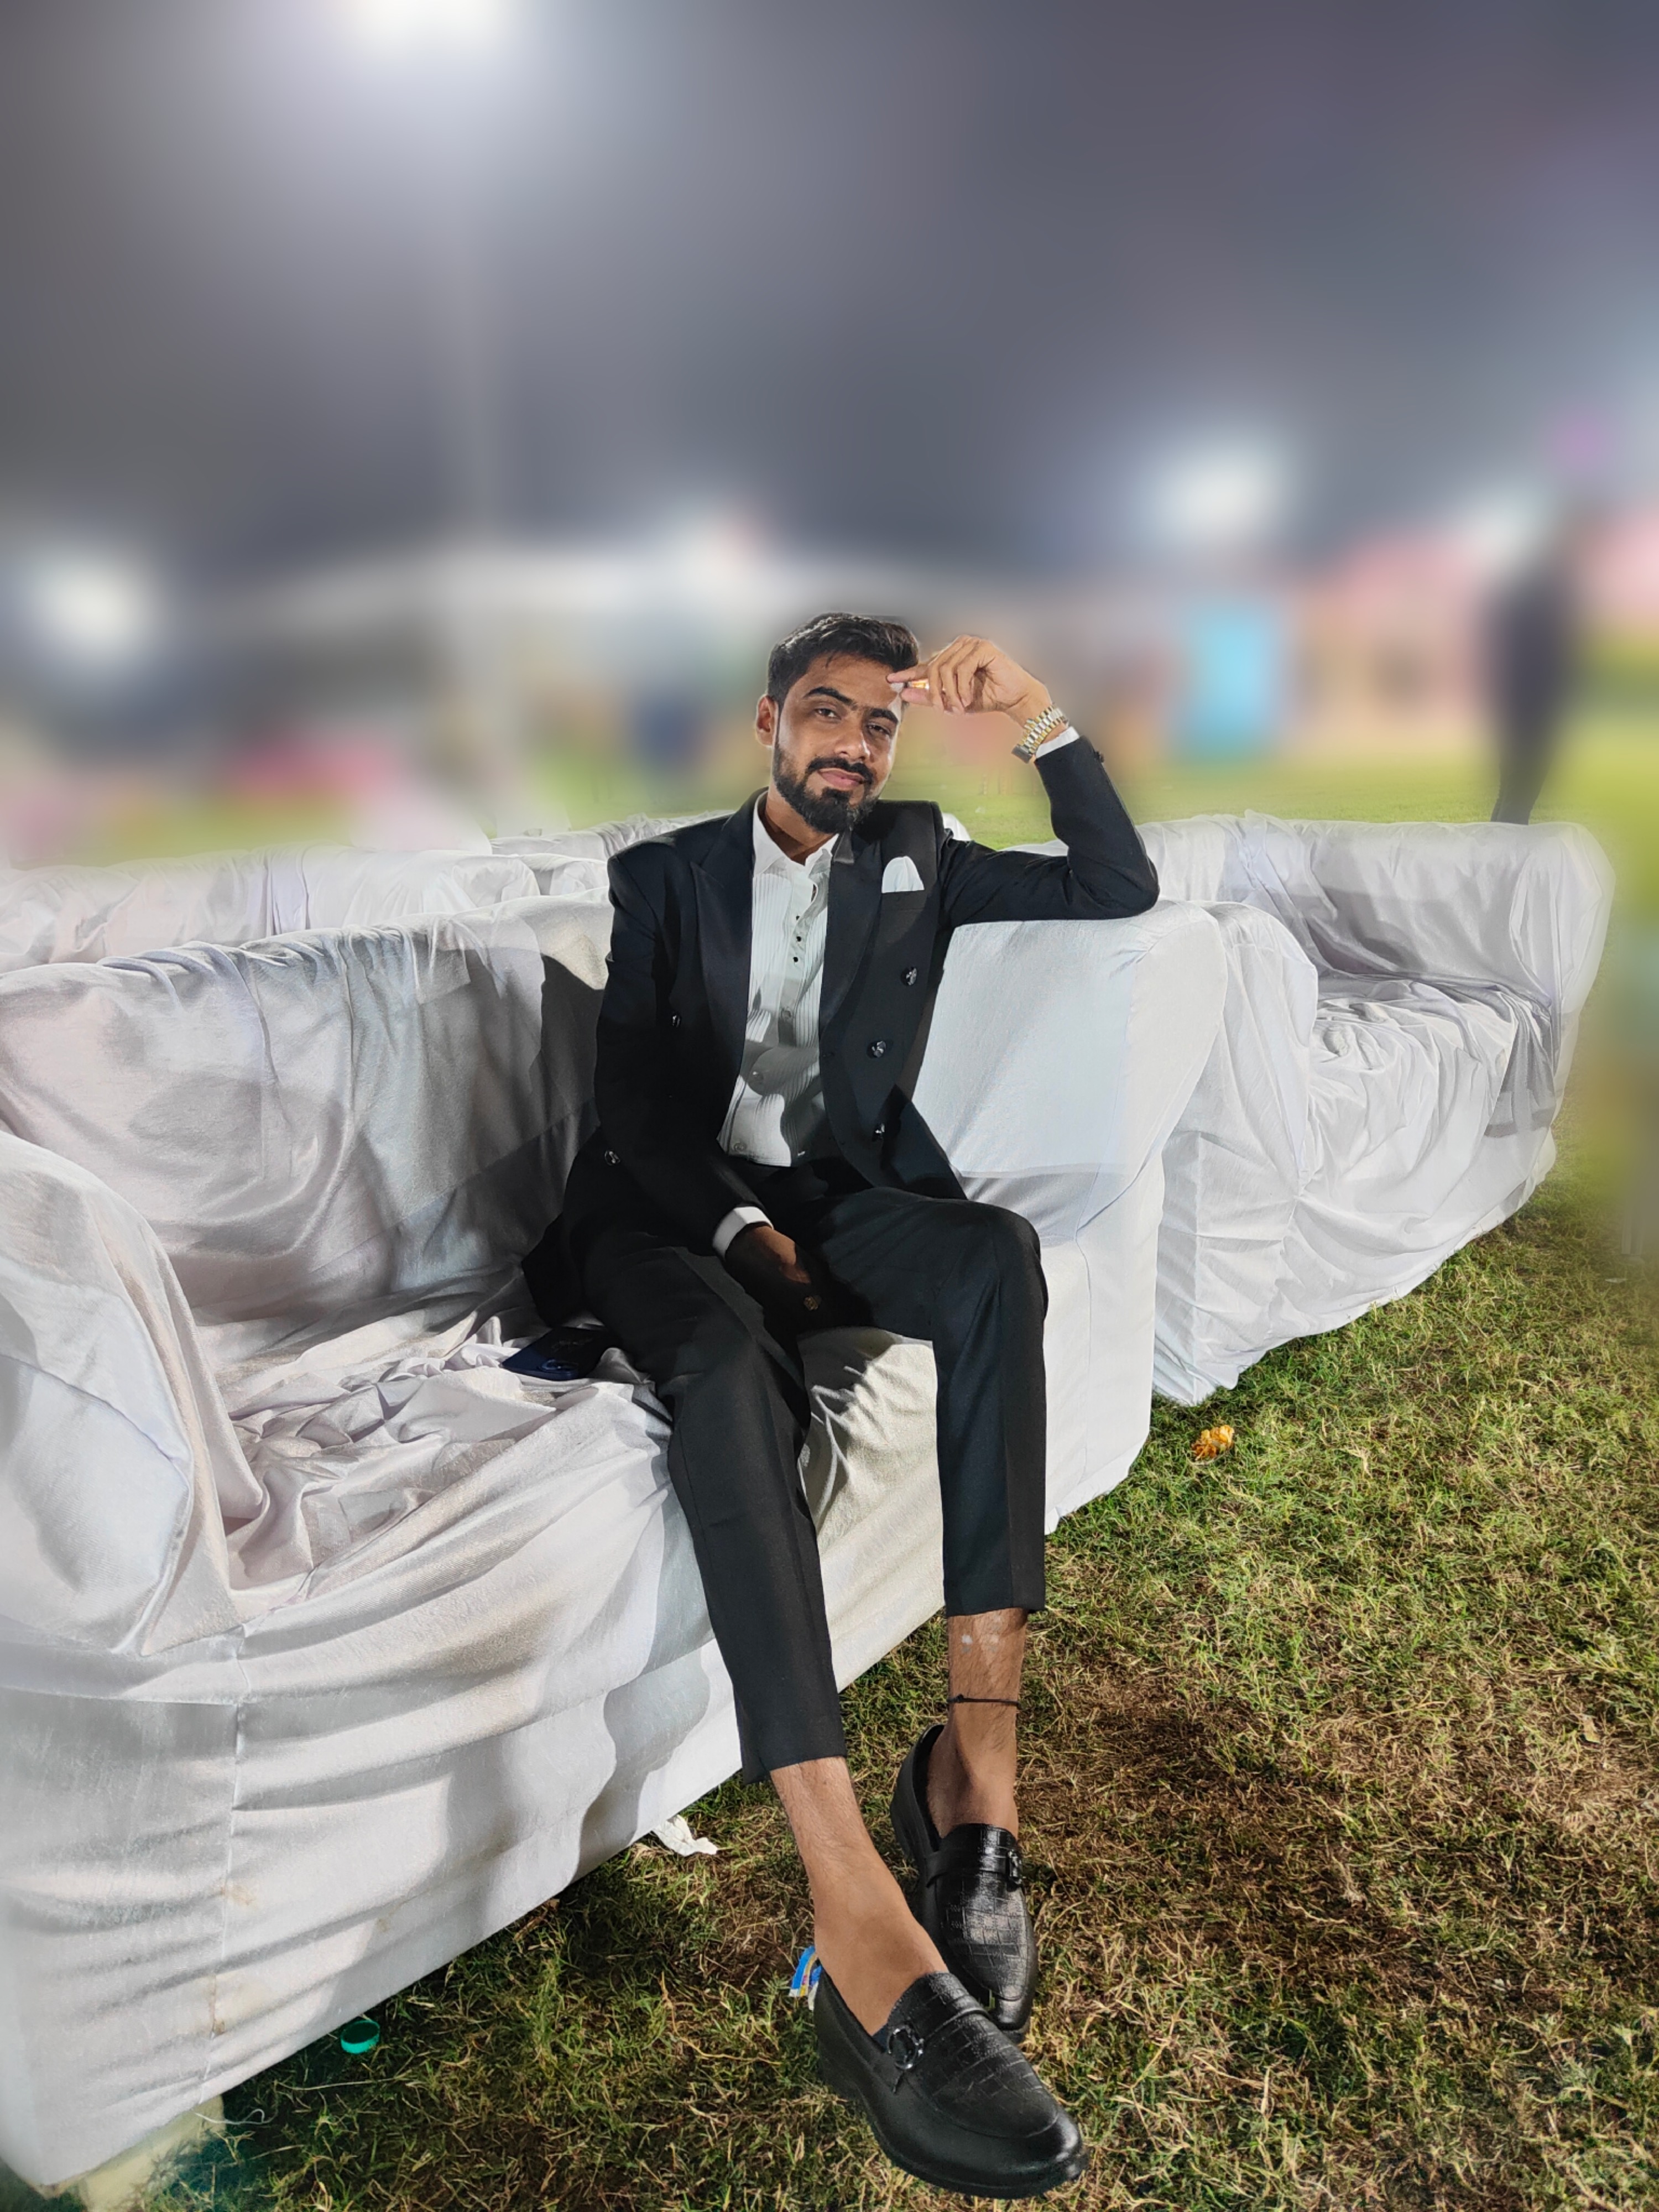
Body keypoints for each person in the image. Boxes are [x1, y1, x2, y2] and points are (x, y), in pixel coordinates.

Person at [526, 613, 1158, 2198]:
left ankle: (975, 1788)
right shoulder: (666, 876)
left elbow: (1115, 883)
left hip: (843, 1193)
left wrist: (1040, 715)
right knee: (724, 1365)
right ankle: (849, 1897)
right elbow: (635, 1107)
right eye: (827, 712)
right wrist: (745, 1238)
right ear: (768, 723)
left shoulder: (919, 855)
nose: (854, 744)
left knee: (995, 1259)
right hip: (668, 1213)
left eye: (880, 723)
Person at [1485, 521, 1585, 825]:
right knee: (1520, 794)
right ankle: (1505, 852)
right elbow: (1554, 650)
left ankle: (1497, 849)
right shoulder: (1550, 587)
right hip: (1533, 705)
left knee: (1512, 792)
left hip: (1514, 701)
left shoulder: (1525, 583)